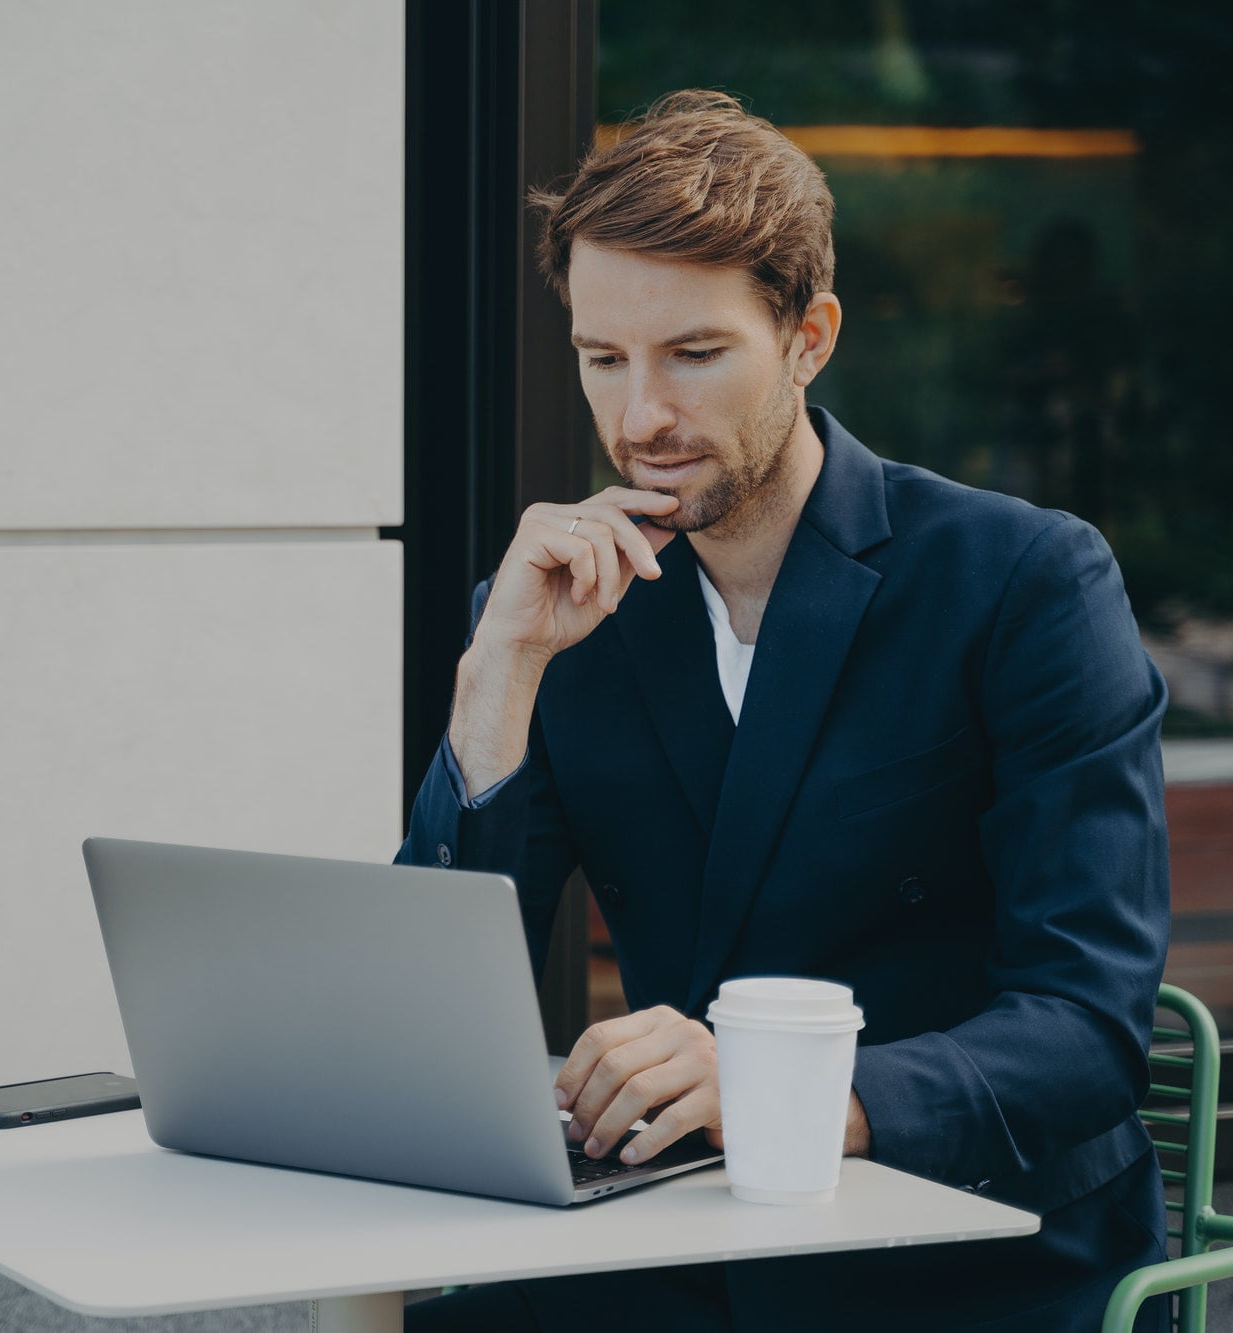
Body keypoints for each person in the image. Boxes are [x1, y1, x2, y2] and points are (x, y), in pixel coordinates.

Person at [398, 90, 1171, 1331]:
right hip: (675, 1237)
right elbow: (420, 1014)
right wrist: (493, 690)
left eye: (692, 354)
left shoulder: (1022, 579)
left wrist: (779, 1092)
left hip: (968, 1247)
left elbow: (1085, 1026)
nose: (638, 417)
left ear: (807, 337)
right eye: (603, 358)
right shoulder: (561, 608)